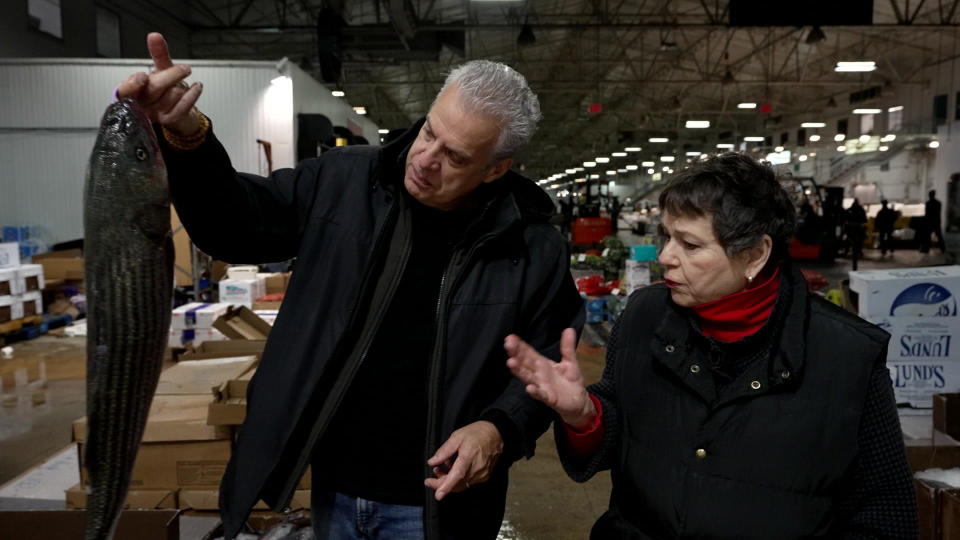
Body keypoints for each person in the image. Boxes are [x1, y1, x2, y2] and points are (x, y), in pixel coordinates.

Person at [117, 33, 584, 540]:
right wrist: (187, 136)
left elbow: (547, 370)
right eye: (429, 132)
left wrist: (498, 428)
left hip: (439, 507)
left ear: (496, 168)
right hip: (335, 489)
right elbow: (234, 224)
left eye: (455, 156)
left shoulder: (531, 247)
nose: (426, 159)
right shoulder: (343, 182)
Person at [504, 153, 918, 539]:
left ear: (755, 254)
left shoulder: (846, 356)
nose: (665, 256)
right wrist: (584, 416)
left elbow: (883, 514)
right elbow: (620, 434)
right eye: (666, 236)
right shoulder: (645, 317)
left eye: (690, 244)